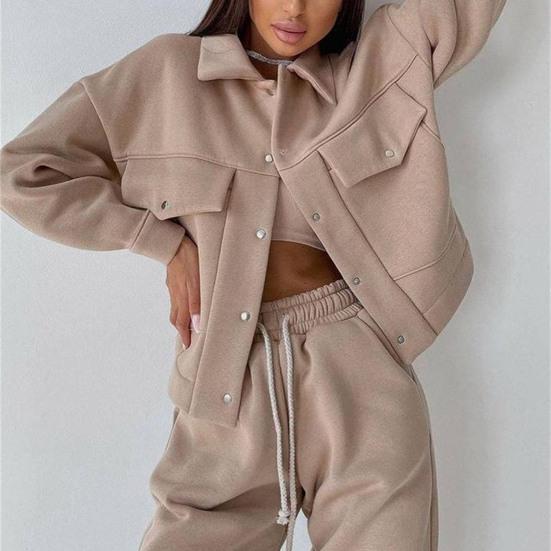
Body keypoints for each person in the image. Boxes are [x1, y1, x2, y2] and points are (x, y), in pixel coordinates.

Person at [1, 0, 508, 549]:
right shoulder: (166, 74)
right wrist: (163, 243)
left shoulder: (375, 66)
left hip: (362, 377)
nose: (295, 8)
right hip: (227, 384)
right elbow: (23, 171)